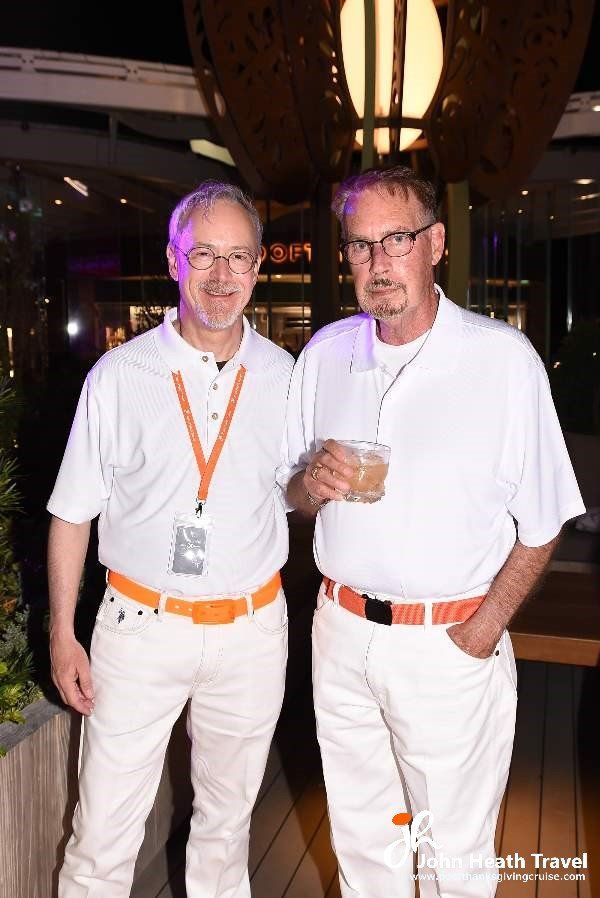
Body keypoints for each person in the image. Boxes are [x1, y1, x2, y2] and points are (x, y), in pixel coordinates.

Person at [279, 166, 585, 898]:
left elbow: (542, 525)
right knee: (363, 848)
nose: (378, 262)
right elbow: (292, 497)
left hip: (448, 647)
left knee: (454, 860)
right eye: (360, 246)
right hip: (341, 634)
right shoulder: (325, 355)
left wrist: (483, 630)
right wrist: (308, 489)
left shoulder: (501, 362)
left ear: (436, 243)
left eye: (397, 239)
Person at [48, 181, 293, 898]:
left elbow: (300, 494)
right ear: (174, 259)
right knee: (101, 841)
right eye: (205, 255)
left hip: (252, 631)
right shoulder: (120, 376)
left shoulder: (286, 377)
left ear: (258, 267)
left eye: (238, 258)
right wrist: (63, 634)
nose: (222, 276)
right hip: (139, 629)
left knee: (226, 834)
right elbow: (71, 513)